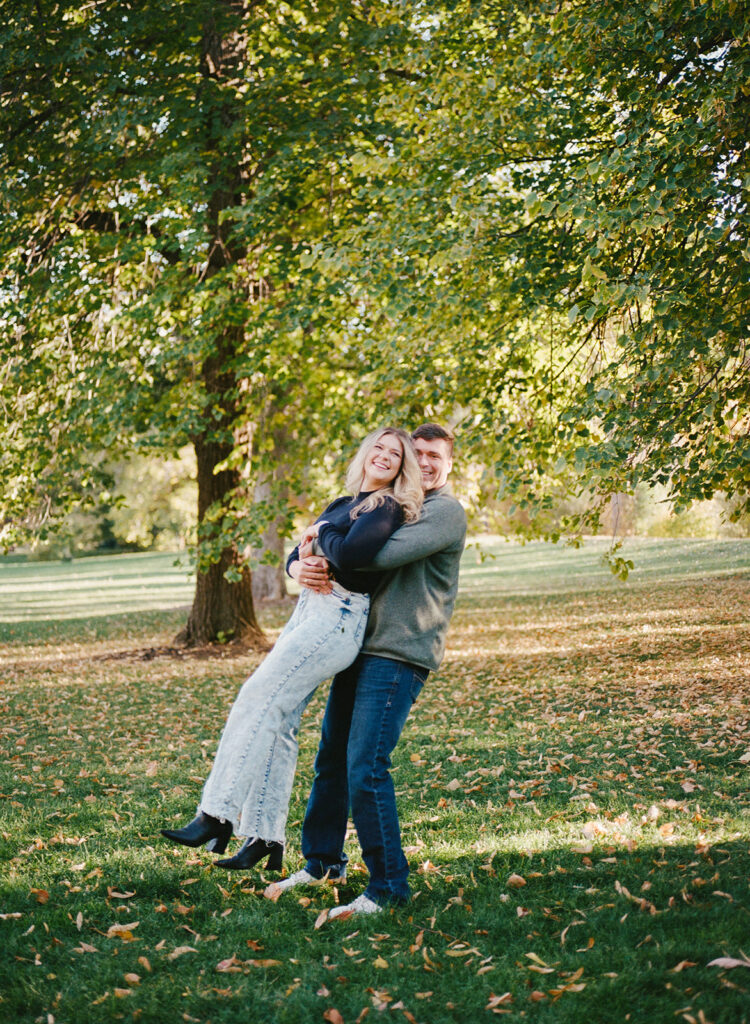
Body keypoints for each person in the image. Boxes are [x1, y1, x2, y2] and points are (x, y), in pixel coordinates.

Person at [161, 427, 423, 872]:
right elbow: (298, 556)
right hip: (309, 612)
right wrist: (300, 562)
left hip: (337, 619)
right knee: (279, 720)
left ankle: (216, 814)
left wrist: (319, 541)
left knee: (257, 696)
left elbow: (354, 554)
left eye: (394, 454)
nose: (383, 456)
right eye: (377, 447)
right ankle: (266, 836)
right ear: (364, 455)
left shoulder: (386, 505)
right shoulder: (343, 505)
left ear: (401, 468)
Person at [268, 423, 466, 917]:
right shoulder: (393, 502)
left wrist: (324, 537)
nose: (424, 462)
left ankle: (388, 886)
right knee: (331, 758)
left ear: (449, 464)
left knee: (366, 765)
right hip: (354, 645)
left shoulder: (443, 511)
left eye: (434, 455)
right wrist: (299, 564)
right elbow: (323, 547)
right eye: (415, 452)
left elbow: (372, 555)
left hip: (398, 652)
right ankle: (322, 862)